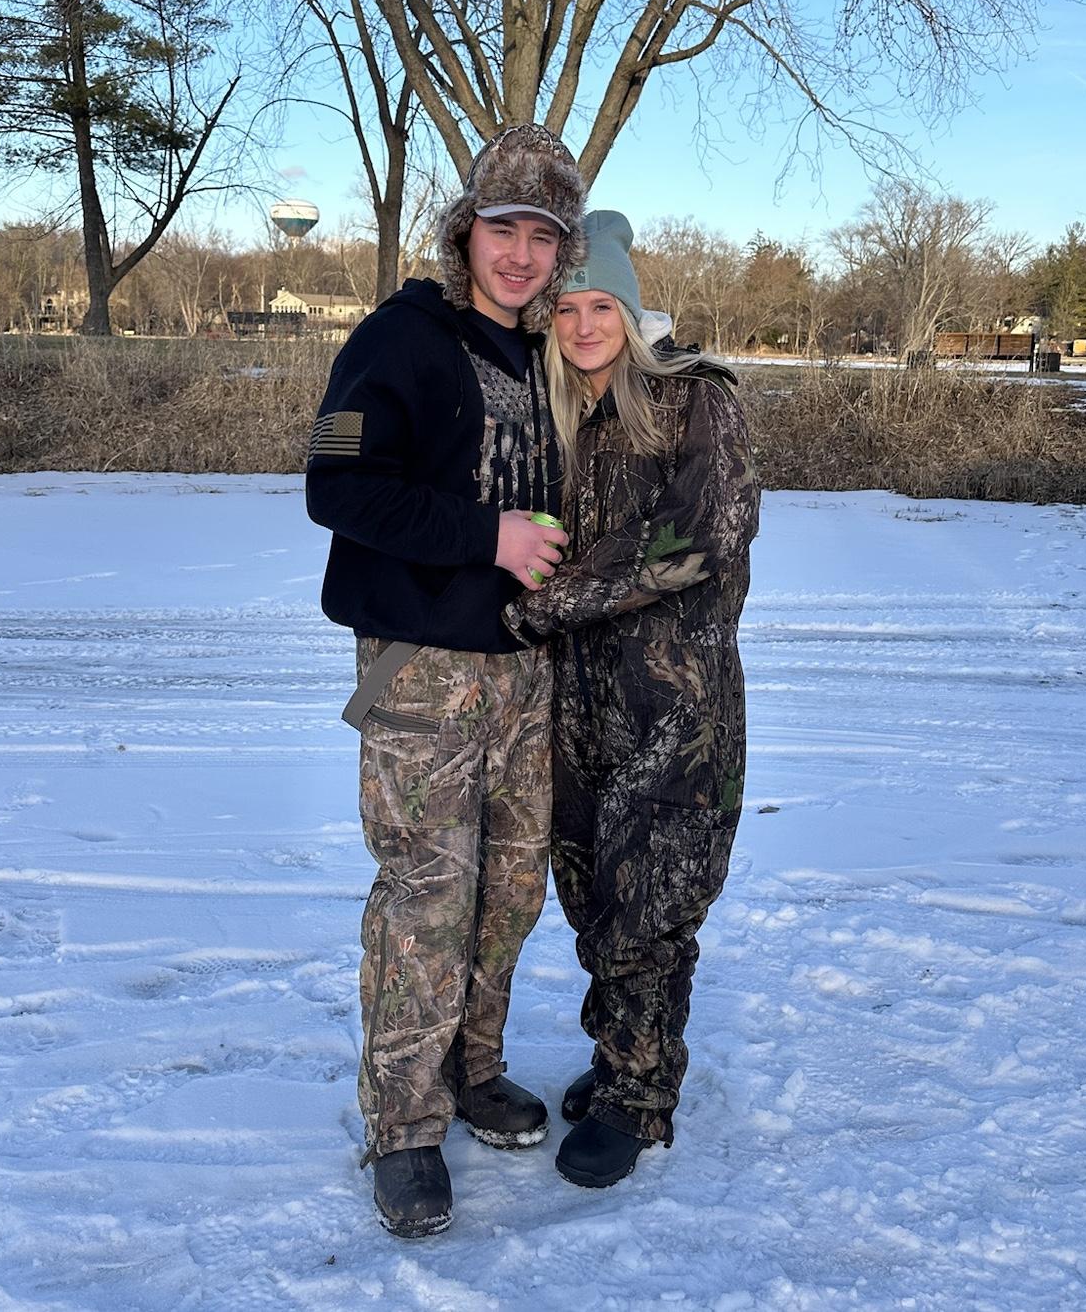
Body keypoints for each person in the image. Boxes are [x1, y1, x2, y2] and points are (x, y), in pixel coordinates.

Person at [305, 124, 585, 1238]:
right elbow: (336, 487)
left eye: (543, 237)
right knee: (428, 894)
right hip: (419, 666)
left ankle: (472, 1068)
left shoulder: (546, 354)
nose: (520, 254)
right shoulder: (400, 337)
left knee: (512, 887)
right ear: (466, 230)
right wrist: (489, 536)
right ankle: (404, 1127)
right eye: (503, 228)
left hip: (526, 670)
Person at [503, 210, 761, 1188]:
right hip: (576, 701)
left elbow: (702, 540)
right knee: (592, 894)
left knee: (650, 904)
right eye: (566, 308)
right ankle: (621, 1053)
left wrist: (550, 603)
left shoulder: (696, 398)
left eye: (601, 306)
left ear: (632, 311)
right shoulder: (555, 410)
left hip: (676, 709)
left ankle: (639, 1097)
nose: (582, 325)